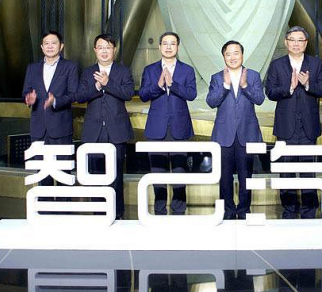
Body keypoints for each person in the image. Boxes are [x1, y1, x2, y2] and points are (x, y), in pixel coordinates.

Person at [265, 26, 322, 219]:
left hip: (308, 127)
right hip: (286, 127)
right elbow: (270, 92)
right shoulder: (277, 65)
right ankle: (289, 209)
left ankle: (309, 209)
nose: (296, 43)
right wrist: (290, 87)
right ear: (286, 42)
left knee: (308, 169)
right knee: (286, 170)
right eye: (292, 40)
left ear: (306, 43)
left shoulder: (316, 64)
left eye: (300, 40)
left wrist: (308, 84)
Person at [138, 32, 197, 215]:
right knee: (158, 175)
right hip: (157, 128)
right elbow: (143, 95)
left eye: (172, 43)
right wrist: (159, 85)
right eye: (165, 43)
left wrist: (173, 85)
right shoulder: (150, 70)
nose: (169, 47)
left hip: (179, 127)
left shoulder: (187, 70)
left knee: (180, 174)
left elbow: (192, 94)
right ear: (159, 47)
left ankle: (179, 211)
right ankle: (159, 211)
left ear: (178, 47)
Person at [76, 34, 134, 219]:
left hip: (116, 130)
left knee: (116, 175)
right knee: (95, 174)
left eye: (108, 47)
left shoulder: (123, 71)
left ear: (114, 50)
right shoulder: (87, 72)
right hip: (93, 131)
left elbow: (128, 93)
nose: (104, 51)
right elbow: (80, 96)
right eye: (100, 47)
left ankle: (117, 213)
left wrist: (108, 83)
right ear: (94, 50)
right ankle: (98, 213)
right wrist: (96, 87)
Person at [206, 40, 265, 220]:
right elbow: (211, 102)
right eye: (228, 54)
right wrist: (225, 86)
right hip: (224, 134)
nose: (232, 57)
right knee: (225, 177)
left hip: (247, 132)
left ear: (242, 55)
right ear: (224, 57)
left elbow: (260, 99)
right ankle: (228, 211)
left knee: (246, 176)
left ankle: (244, 210)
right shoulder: (217, 77)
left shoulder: (253, 75)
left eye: (236, 53)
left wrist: (245, 86)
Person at [22, 30, 78, 185]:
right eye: (46, 43)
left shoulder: (70, 66)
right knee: (42, 175)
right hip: (38, 129)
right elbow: (26, 91)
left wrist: (55, 101)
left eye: (54, 43)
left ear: (61, 46)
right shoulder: (32, 68)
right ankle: (44, 202)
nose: (50, 46)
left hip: (61, 128)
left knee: (63, 175)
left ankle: (63, 202)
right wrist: (28, 98)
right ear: (41, 47)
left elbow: (74, 94)